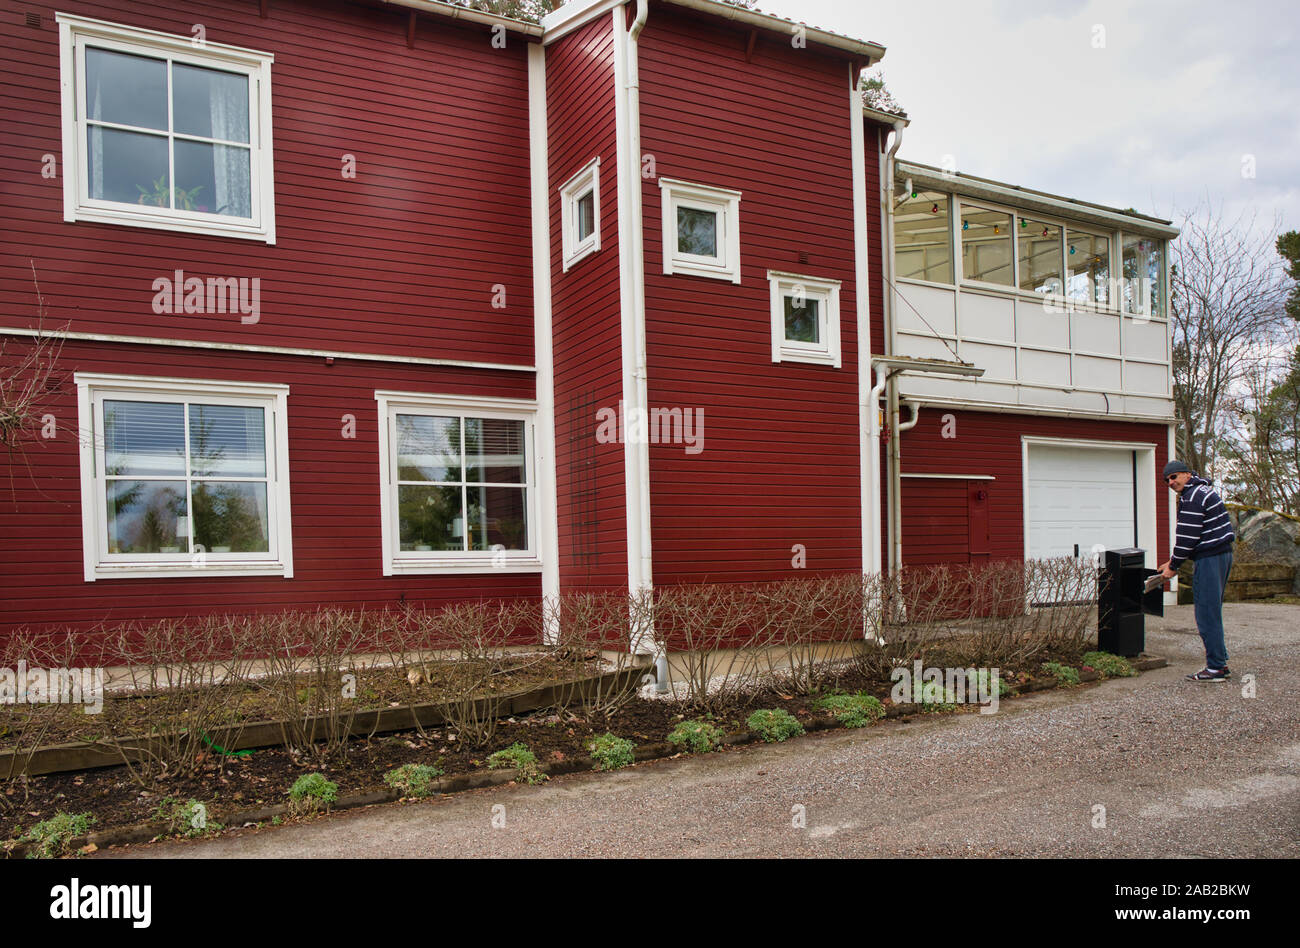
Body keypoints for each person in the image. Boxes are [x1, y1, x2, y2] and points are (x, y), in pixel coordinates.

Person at [1157, 460, 1235, 681]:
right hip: (1222, 554)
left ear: (1187, 474)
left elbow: (1188, 538)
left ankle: (1216, 668)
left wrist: (1173, 566)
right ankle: (1219, 662)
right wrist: (1172, 561)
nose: (1170, 483)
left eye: (1174, 477)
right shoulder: (1204, 490)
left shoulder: (1192, 497)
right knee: (1212, 610)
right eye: (1167, 480)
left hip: (1210, 558)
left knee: (1206, 613)